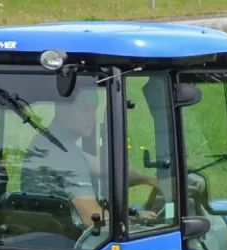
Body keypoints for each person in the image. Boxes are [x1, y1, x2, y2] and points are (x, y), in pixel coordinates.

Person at [18, 86, 162, 232]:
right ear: (62, 110)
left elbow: (107, 170)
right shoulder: (65, 154)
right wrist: (135, 220)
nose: (91, 117)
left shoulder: (51, 142)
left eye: (94, 109)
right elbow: (93, 218)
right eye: (84, 110)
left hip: (46, 233)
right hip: (62, 240)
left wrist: (150, 179)